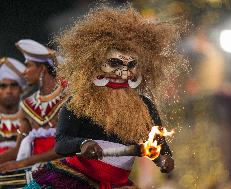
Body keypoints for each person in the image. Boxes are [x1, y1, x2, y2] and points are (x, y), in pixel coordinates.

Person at [25, 6, 186, 189]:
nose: (123, 72)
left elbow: (159, 145)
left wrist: (164, 159)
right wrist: (83, 144)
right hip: (77, 180)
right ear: (96, 63)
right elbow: (61, 144)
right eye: (115, 63)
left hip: (118, 184)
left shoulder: (144, 106)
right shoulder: (79, 103)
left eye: (131, 64)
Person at [0, 39, 68, 172]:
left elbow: (65, 147)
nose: (24, 72)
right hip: (36, 172)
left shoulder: (68, 100)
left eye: (28, 66)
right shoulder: (27, 105)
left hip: (65, 171)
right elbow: (18, 149)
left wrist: (22, 163)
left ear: (42, 69)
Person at [0, 57, 26, 156]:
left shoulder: (32, 117)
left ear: (21, 89)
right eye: (3, 86)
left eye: (13, 85)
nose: (9, 91)